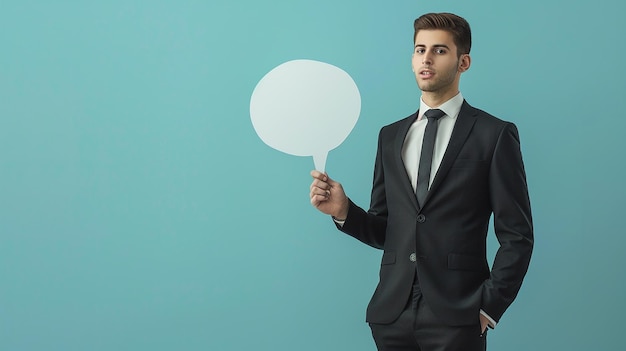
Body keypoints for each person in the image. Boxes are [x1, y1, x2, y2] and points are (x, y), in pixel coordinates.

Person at [309, 12, 533, 351]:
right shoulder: (390, 136)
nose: (426, 58)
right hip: (392, 313)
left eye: (440, 51)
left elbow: (517, 235)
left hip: (459, 313)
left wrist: (489, 306)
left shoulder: (494, 135)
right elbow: (390, 229)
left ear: (464, 62)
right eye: (419, 49)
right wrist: (344, 212)